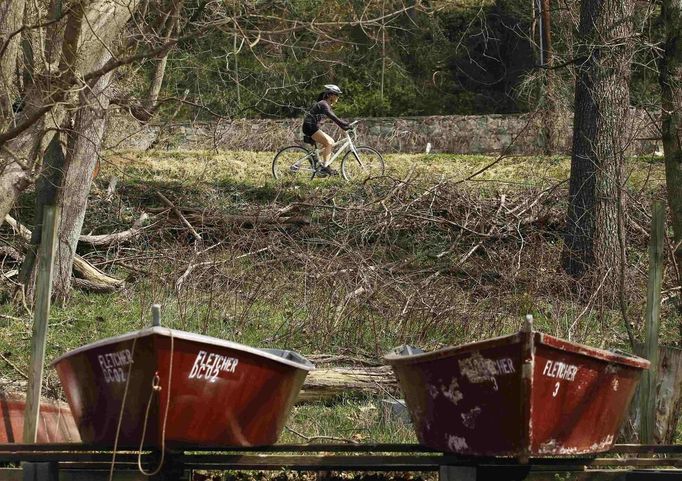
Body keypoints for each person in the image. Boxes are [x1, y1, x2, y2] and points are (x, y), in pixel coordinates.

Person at [302, 84, 350, 176]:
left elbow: (334, 118)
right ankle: (325, 167)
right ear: (330, 95)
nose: (338, 97)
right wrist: (345, 124)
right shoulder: (323, 104)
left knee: (331, 141)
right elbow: (333, 117)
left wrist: (343, 126)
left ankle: (319, 161)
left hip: (312, 127)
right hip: (310, 127)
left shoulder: (325, 104)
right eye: (336, 94)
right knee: (329, 143)